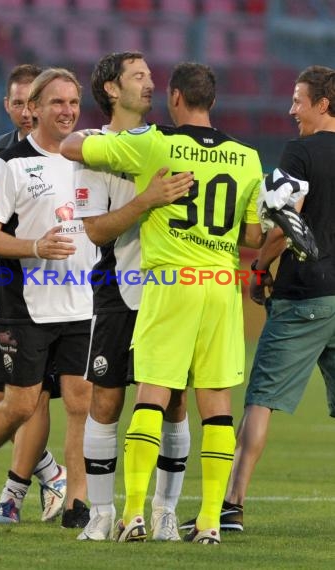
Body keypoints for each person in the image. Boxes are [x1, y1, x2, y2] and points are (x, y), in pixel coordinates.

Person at [60, 62, 264, 544]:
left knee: (153, 396)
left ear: (175, 97)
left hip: (169, 282)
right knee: (215, 404)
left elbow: (73, 146)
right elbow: (254, 236)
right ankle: (210, 521)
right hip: (221, 285)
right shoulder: (250, 157)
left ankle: (135, 513)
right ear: (212, 99)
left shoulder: (157, 143)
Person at [0, 67, 97, 527]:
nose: (68, 111)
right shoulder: (7, 163)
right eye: (57, 103)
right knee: (19, 403)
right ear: (32, 109)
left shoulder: (91, 157)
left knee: (81, 400)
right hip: (26, 302)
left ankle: (77, 502)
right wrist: (36, 247)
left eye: (73, 102)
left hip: (83, 301)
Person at [72, 52, 194, 542]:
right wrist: (147, 201)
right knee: (106, 401)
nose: (150, 84)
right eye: (137, 77)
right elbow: (96, 232)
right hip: (116, 290)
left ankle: (163, 512)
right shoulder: (93, 150)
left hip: (172, 291)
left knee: (175, 402)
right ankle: (102, 514)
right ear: (110, 90)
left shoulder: (169, 142)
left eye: (150, 76)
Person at [221, 64, 335, 532]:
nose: (291, 110)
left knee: (261, 400)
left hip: (306, 293)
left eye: (298, 100)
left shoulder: (301, 151)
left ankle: (231, 505)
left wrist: (259, 264)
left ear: (323, 104)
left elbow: (286, 222)